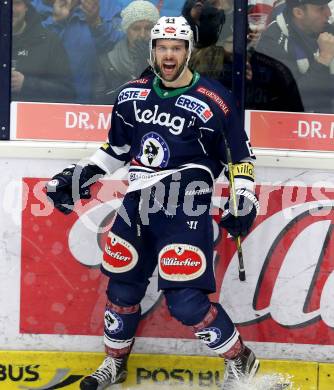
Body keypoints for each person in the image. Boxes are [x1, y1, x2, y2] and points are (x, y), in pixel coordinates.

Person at [45, 16, 260, 390]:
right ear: (153, 51)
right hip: (137, 205)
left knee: (187, 302)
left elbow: (239, 158)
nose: (169, 54)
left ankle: (241, 360)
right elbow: (116, 151)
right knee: (122, 289)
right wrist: (79, 176)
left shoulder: (215, 102)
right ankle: (115, 364)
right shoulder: (131, 96)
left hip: (185, 208)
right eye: (162, 47)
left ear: (189, 52)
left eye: (176, 47)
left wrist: (244, 197)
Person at [30, 0, 124, 103]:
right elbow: (29, 50)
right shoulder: (33, 7)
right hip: (45, 102)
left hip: (89, 103)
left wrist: (96, 23)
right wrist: (55, 21)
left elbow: (120, 48)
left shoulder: (108, 7)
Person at [256, 0, 334, 113]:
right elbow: (292, 98)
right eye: (321, 9)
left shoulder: (329, 29)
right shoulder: (272, 41)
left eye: (327, 6)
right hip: (292, 122)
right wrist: (324, 58)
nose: (329, 13)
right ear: (298, 13)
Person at [95, 0, 160, 104]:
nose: (142, 35)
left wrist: (148, 66)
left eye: (148, 28)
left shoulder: (166, 62)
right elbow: (99, 103)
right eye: (136, 28)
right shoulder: (107, 62)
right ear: (126, 30)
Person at [11, 0, 74, 102]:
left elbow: (67, 92)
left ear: (26, 7)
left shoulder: (49, 41)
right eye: (6, 3)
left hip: (34, 116)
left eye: (17, 3)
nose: (11, 9)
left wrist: (26, 84)